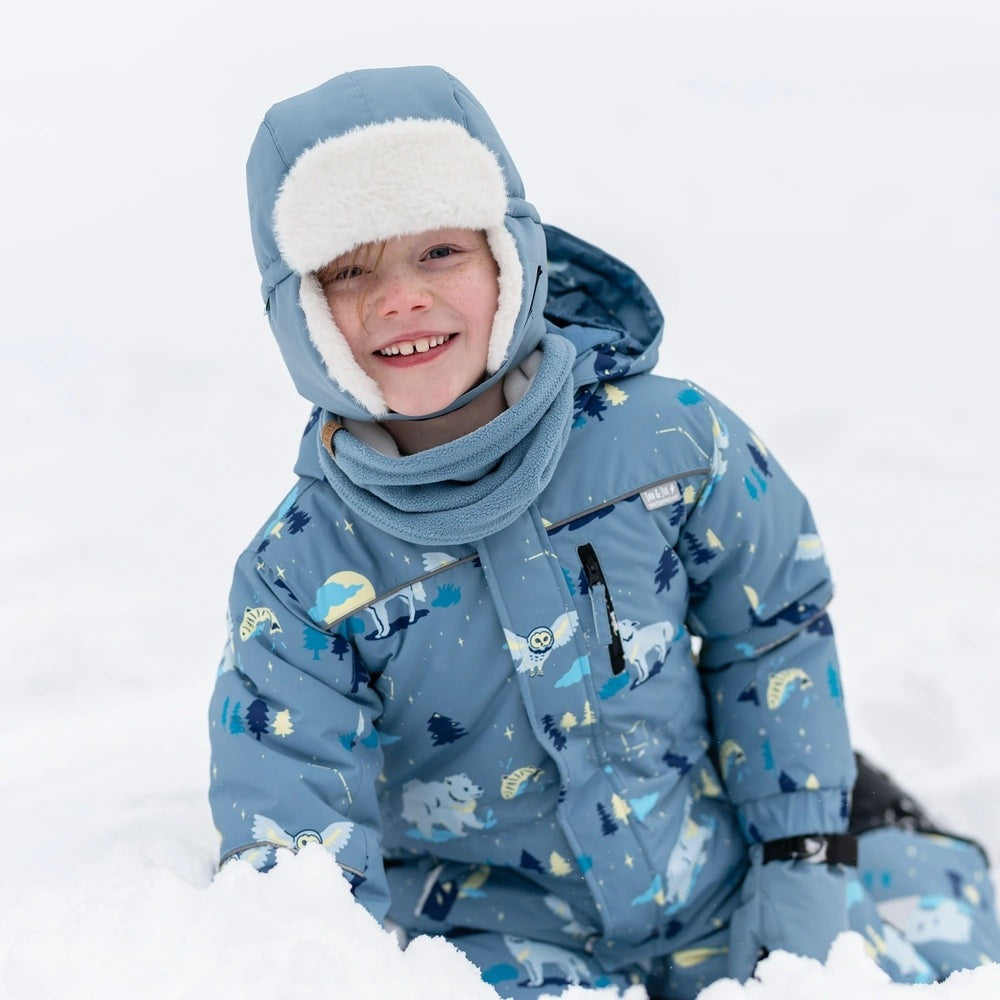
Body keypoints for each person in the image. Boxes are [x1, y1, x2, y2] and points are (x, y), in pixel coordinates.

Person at [208, 66, 1000, 998]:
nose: (401, 299)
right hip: (494, 934)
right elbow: (294, 849)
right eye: (349, 270)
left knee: (940, 938)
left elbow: (773, 623)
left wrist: (800, 856)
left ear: (510, 254)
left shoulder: (663, 440)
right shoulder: (302, 576)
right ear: (298, 312)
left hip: (717, 879)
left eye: (439, 253)